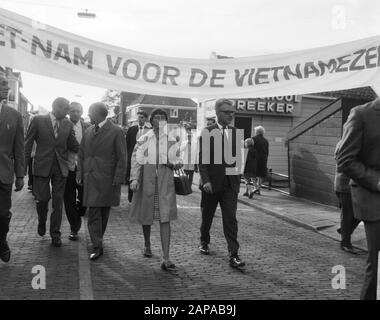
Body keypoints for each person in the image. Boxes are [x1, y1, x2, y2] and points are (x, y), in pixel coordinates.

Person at [336, 98, 380, 300]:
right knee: (377, 263)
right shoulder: (362, 113)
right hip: (374, 198)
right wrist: (377, 182)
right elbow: (345, 159)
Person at [129, 108, 181, 271]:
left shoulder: (172, 140)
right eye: (156, 118)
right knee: (147, 216)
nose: (159, 120)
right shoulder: (144, 138)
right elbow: (136, 160)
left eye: (163, 118)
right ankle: (147, 244)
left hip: (164, 184)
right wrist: (134, 178)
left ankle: (166, 257)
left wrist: (174, 163)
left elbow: (179, 160)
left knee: (165, 218)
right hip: (147, 182)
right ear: (151, 121)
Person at [25, 97, 79, 247]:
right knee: (42, 199)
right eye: (66, 109)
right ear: (56, 107)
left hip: (60, 167)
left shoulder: (68, 124)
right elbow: (28, 143)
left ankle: (55, 234)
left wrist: (88, 148)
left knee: (58, 202)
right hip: (42, 165)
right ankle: (42, 220)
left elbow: (73, 144)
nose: (68, 112)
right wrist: (22, 168)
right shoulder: (38, 120)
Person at [198, 98, 245, 268]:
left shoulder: (236, 133)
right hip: (211, 185)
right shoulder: (207, 132)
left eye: (232, 112)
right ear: (217, 114)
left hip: (230, 187)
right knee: (207, 217)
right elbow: (202, 161)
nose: (230, 115)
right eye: (226, 112)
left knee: (230, 219)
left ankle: (234, 254)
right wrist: (206, 181)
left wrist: (237, 184)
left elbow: (239, 161)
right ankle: (204, 241)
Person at [77, 102, 126, 260]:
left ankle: (98, 239)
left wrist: (119, 177)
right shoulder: (89, 130)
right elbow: (82, 153)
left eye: (90, 112)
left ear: (98, 114)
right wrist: (80, 172)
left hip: (107, 179)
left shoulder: (116, 131)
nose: (88, 115)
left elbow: (122, 157)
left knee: (104, 212)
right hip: (91, 178)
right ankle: (97, 245)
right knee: (94, 212)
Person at [0, 77, 24, 263]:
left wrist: (20, 175)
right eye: (2, 85)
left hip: (4, 173)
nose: (6, 88)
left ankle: (1, 241)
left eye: (6, 85)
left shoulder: (14, 115)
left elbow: (19, 148)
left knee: (2, 213)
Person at [63, 102, 90, 241]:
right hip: (67, 169)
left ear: (82, 112)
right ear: (68, 112)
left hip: (83, 169)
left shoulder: (87, 127)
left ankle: (80, 212)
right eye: (73, 111)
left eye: (78, 111)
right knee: (69, 200)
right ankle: (74, 227)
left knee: (84, 198)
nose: (75, 113)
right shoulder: (63, 125)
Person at [334, 140, 360, 254]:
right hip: (345, 185)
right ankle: (345, 243)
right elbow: (344, 165)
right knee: (348, 215)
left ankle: (345, 230)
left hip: (352, 185)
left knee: (359, 213)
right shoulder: (346, 144)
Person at [125, 111, 150, 203]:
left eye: (142, 117)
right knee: (132, 177)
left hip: (145, 158)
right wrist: (127, 157)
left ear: (146, 119)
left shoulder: (150, 130)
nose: (140, 119)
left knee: (142, 177)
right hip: (132, 157)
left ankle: (141, 199)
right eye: (139, 117)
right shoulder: (131, 129)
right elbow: (127, 144)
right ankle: (131, 198)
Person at [251, 126, 269, 195]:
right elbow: (267, 151)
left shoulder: (253, 139)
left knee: (252, 173)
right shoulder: (266, 140)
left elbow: (251, 149)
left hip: (255, 158)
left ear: (257, 132)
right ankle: (258, 188)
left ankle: (255, 187)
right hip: (263, 159)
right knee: (260, 174)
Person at [180, 122, 197, 188]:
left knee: (191, 174)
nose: (189, 137)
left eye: (190, 136)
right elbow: (181, 149)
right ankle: (185, 186)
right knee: (185, 174)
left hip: (192, 161)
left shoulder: (194, 143)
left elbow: (196, 152)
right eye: (188, 136)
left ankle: (189, 186)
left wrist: (196, 162)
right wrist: (187, 142)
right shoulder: (184, 142)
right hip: (186, 161)